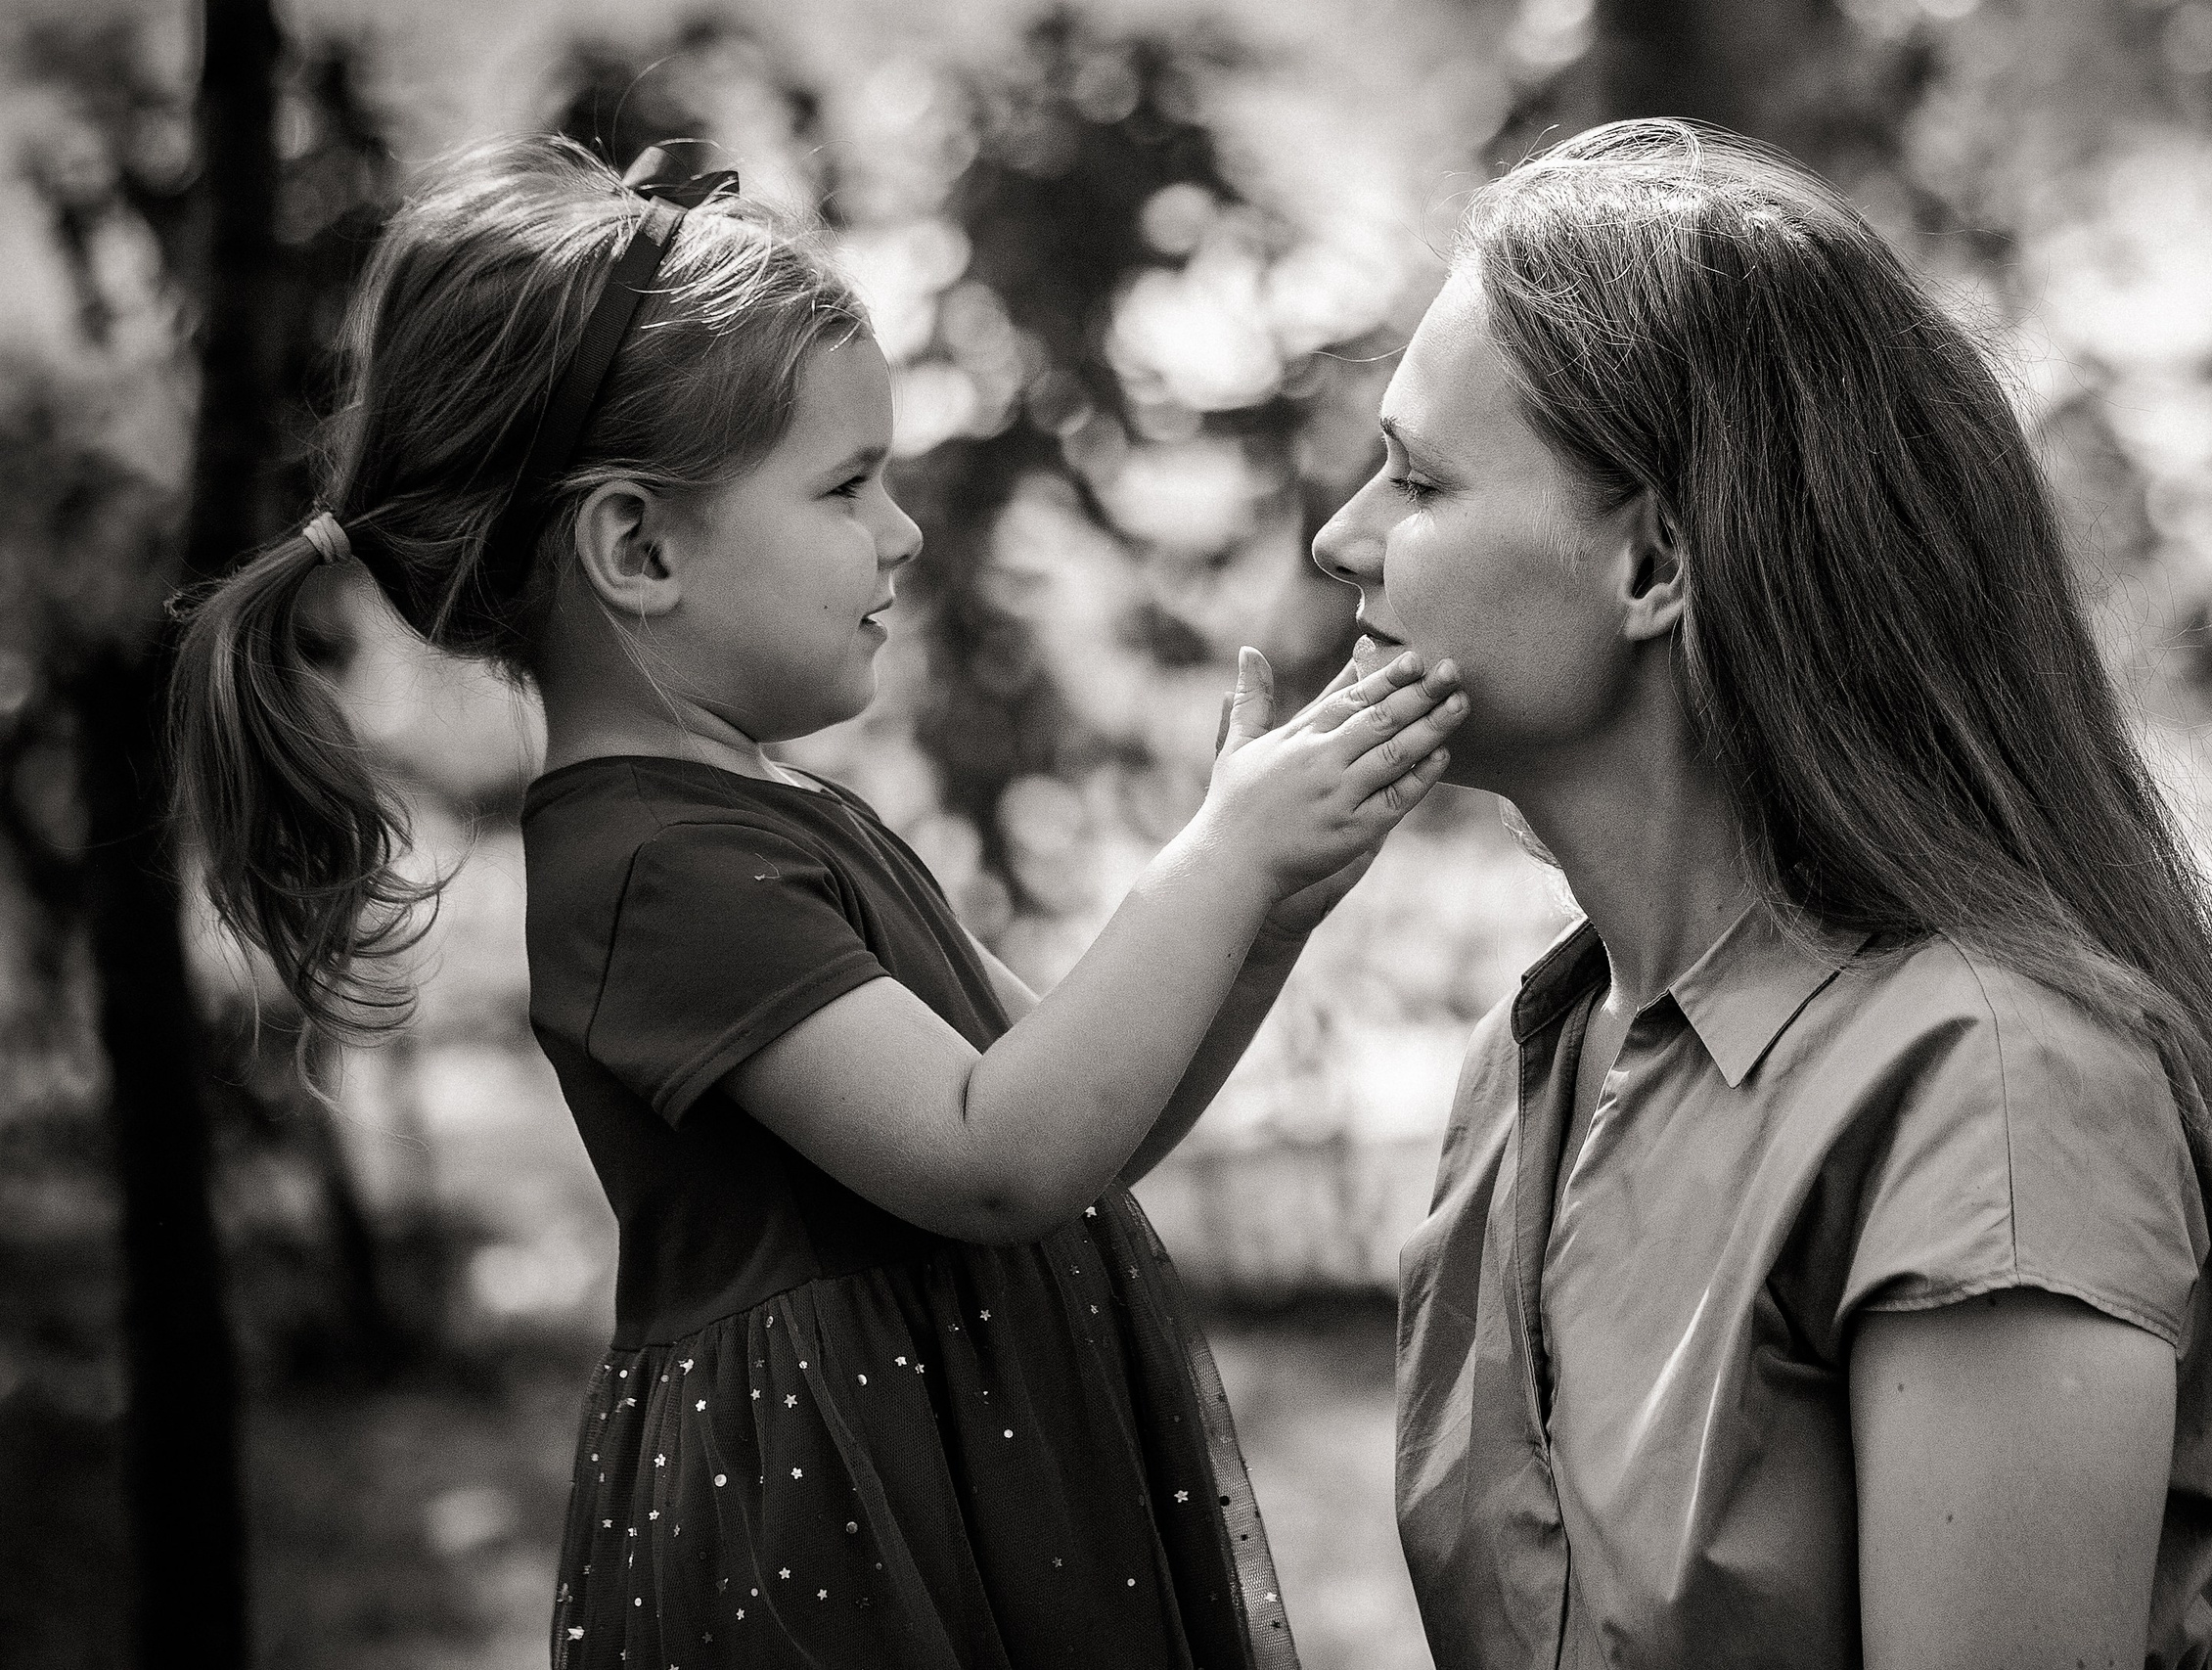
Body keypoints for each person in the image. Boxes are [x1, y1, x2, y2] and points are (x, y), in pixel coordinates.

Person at [169, 135, 1468, 1670]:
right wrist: (1220, 861)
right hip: (838, 1550)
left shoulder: (767, 810)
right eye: (850, 484)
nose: (903, 531)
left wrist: (1268, 915)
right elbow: (997, 1156)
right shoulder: (650, 874)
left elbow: (1084, 1119)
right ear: (638, 548)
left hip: (959, 1477)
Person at [1314, 120, 2212, 1670]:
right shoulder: (1526, 1069)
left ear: (1656, 562)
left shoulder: (1993, 1091)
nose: (1344, 541)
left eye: (1415, 477)